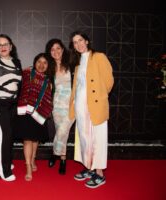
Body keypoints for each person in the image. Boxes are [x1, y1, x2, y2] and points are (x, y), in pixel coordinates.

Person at [68, 31, 114, 188]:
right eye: (75, 42)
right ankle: (90, 167)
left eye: (80, 40)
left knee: (98, 139)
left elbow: (109, 81)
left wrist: (99, 99)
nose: (78, 44)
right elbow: (77, 87)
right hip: (81, 109)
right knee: (84, 139)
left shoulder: (99, 57)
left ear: (87, 41)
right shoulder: (78, 62)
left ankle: (100, 174)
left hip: (95, 107)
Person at [0, 34, 22, 182]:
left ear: (11, 46)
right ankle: (2, 171)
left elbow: (17, 83)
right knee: (4, 134)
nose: (3, 47)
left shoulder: (16, 62)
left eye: (5, 44)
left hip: (11, 104)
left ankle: (4, 160)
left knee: (9, 134)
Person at [15, 53, 54, 181]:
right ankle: (28, 167)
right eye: (39, 61)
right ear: (34, 62)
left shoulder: (49, 80)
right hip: (25, 112)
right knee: (27, 140)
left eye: (45, 63)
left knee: (35, 139)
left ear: (48, 66)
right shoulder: (26, 74)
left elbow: (49, 98)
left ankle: (32, 160)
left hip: (39, 113)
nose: (41, 65)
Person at [45, 39, 74, 175]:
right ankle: (63, 159)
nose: (55, 51)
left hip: (71, 104)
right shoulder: (49, 68)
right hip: (56, 105)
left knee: (62, 131)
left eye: (58, 48)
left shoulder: (72, 65)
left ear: (62, 49)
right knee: (61, 132)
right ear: (49, 53)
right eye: (52, 49)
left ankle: (54, 153)